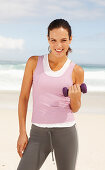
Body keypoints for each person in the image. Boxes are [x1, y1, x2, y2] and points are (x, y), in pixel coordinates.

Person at [17, 18, 84, 170]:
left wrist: (74, 97)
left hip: (66, 132)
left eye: (63, 40)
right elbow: (24, 98)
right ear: (47, 39)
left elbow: (75, 108)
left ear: (70, 39)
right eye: (53, 40)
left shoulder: (77, 70)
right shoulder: (34, 62)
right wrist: (22, 132)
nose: (58, 46)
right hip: (38, 133)